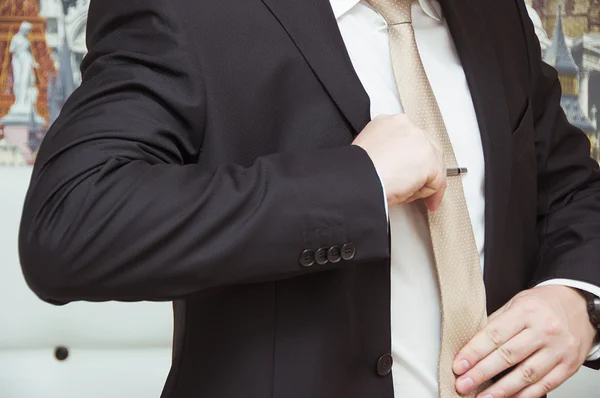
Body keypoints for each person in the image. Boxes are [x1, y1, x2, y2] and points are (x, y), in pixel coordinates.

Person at [18, 0, 600, 397]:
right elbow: (68, 222)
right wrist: (359, 183)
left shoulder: (494, 15)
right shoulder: (190, 12)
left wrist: (579, 300)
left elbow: (575, 190)